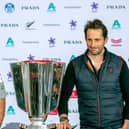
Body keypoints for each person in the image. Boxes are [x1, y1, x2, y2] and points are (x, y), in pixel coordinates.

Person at [57, 19, 129, 129]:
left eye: (97, 40)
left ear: (105, 40)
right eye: (89, 40)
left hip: (116, 126)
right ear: (85, 39)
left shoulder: (119, 64)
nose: (93, 44)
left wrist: (127, 123)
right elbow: (63, 97)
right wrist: (63, 118)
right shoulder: (75, 65)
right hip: (87, 126)